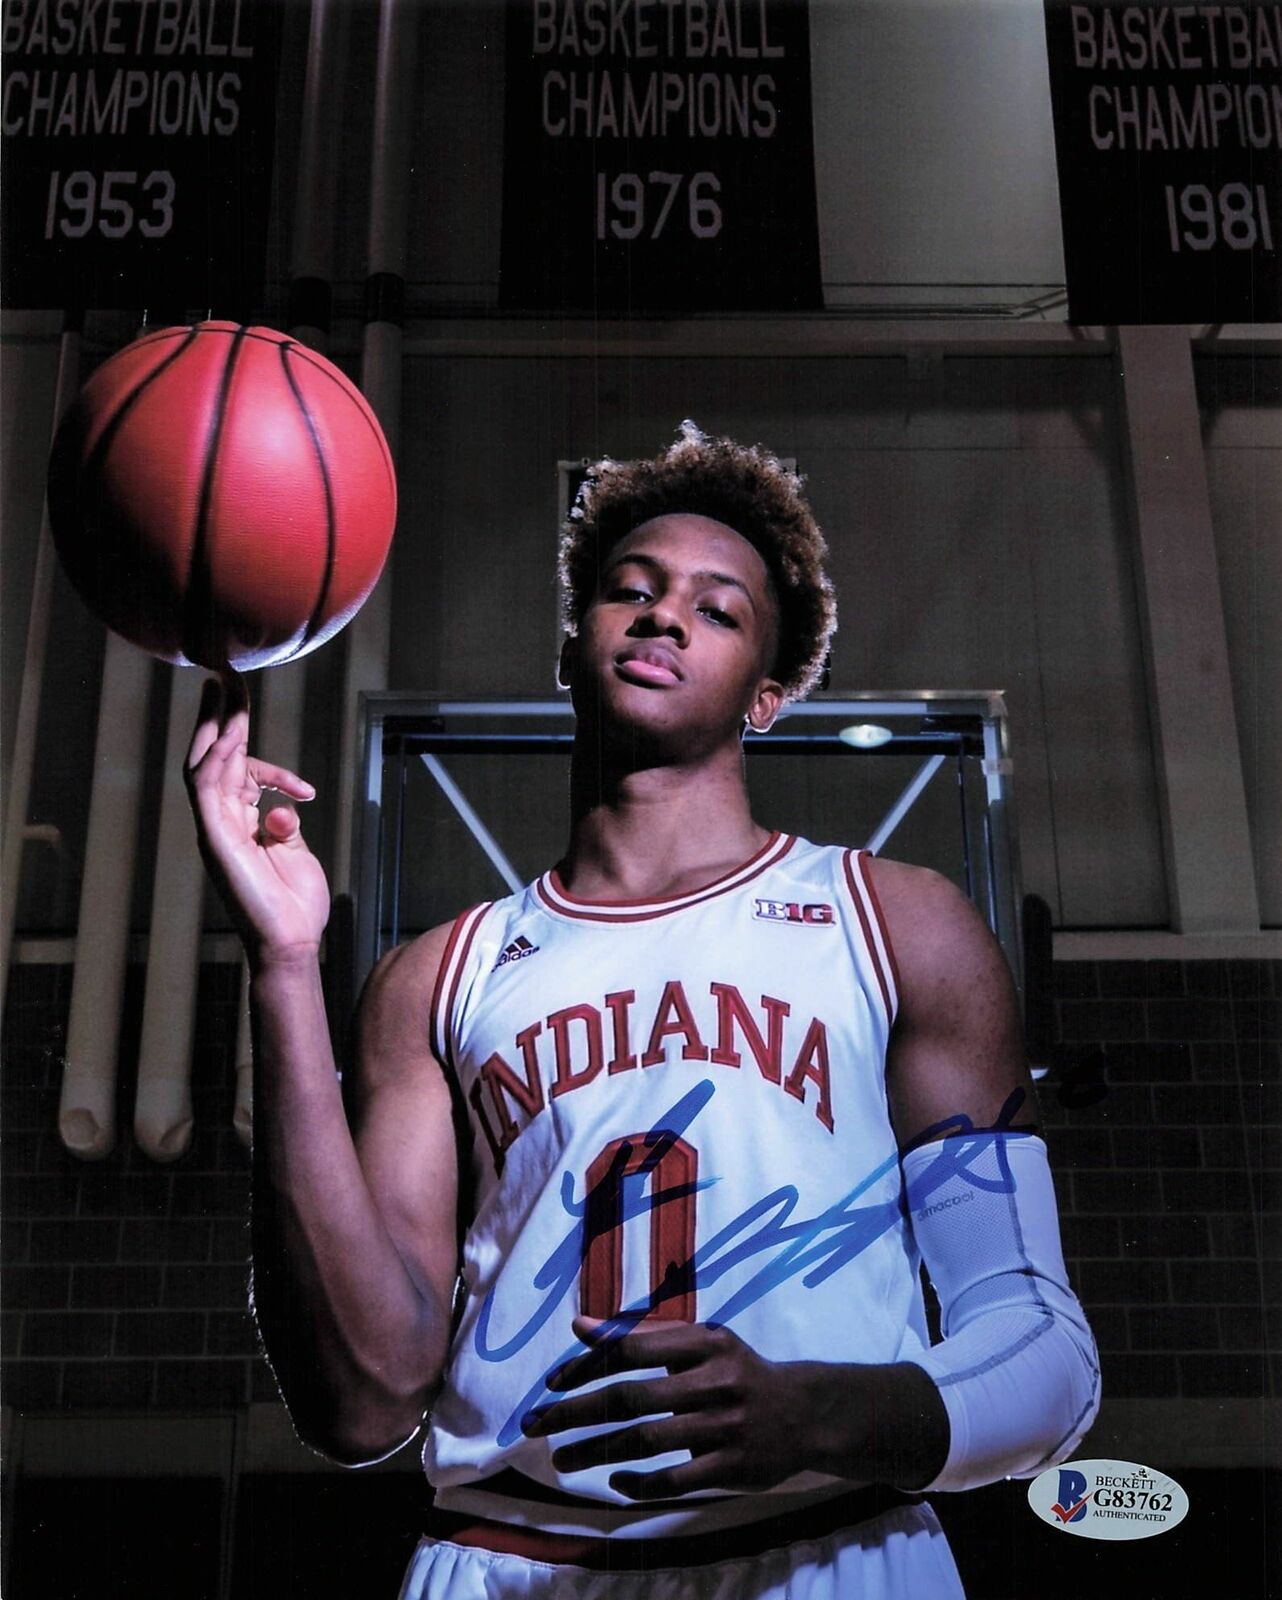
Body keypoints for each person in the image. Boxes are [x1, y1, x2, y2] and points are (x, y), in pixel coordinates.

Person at [185, 424, 1100, 1600]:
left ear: (770, 696)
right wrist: (281, 962)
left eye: (718, 610)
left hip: (830, 1544)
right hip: (513, 1557)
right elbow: (361, 1399)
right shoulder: (438, 975)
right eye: (632, 589)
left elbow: (1042, 1351)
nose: (665, 615)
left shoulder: (895, 925)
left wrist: (819, 1412)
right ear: (569, 647)